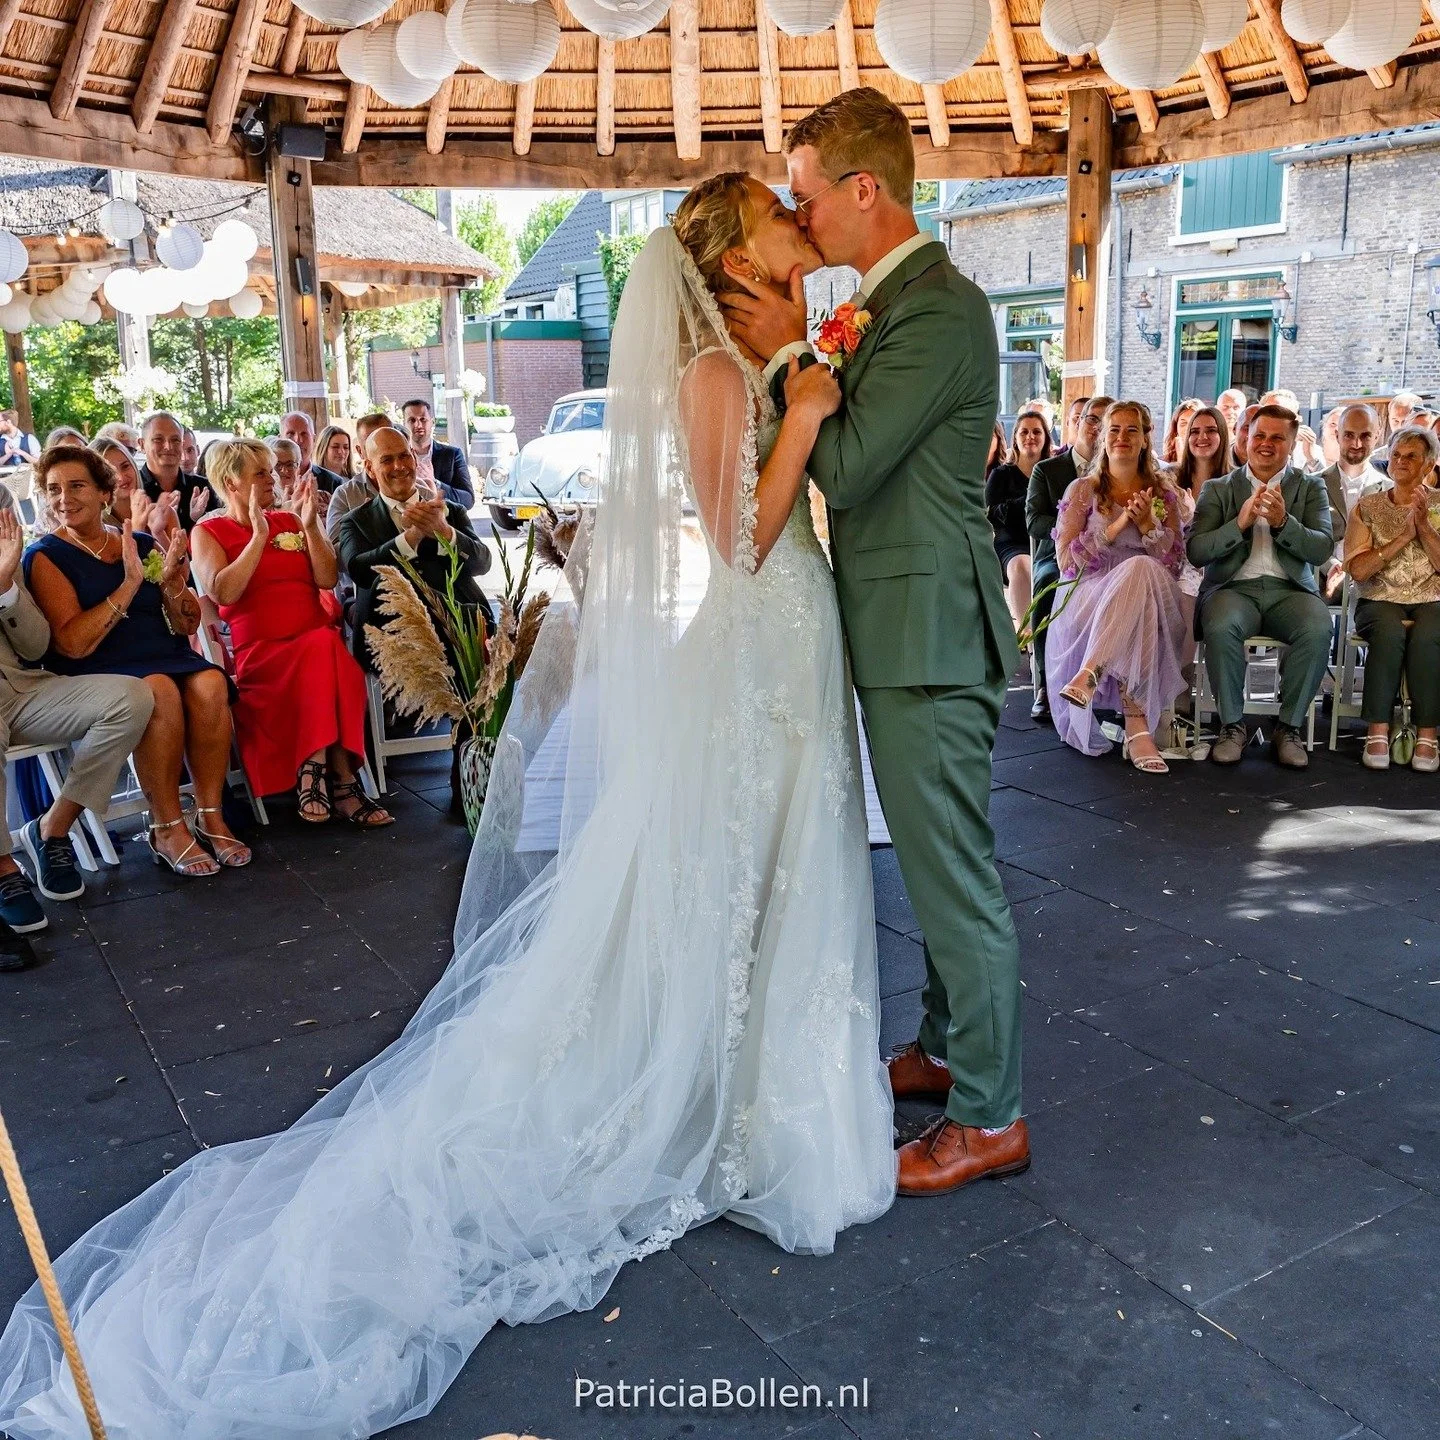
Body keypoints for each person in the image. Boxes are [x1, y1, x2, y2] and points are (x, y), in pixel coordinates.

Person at [0, 153, 900, 1434]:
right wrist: (802, 416)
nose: (794, 219)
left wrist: (803, 391)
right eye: (775, 211)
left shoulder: (754, 356)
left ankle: (760, 1089)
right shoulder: (715, 373)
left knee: (775, 866)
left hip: (786, 648)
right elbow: (739, 541)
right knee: (740, 864)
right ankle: (728, 1102)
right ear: (736, 254)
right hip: (760, 642)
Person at [723, 85, 1026, 1195]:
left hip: (930, 632)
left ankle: (989, 1117)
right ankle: (946, 1049)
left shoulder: (939, 309)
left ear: (864, 190)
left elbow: (845, 471)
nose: (798, 218)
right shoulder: (887, 304)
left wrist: (780, 361)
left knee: (953, 878)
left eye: (805, 198)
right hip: (902, 623)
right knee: (942, 864)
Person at [24, 445, 245, 876]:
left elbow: (186, 624)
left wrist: (174, 583)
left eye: (76, 486)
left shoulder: (141, 543)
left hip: (163, 652)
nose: (64, 498)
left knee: (211, 682)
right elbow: (72, 644)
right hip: (99, 666)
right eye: (53, 490)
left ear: (104, 492)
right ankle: (166, 827)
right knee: (159, 689)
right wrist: (128, 585)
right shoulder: (45, 556)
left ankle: (210, 814)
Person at [191, 439, 391, 828]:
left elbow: (327, 578)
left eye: (273, 470)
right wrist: (258, 537)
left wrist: (310, 525)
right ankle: (343, 784)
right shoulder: (208, 531)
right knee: (329, 653)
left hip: (314, 642)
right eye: (261, 473)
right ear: (231, 483)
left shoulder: (290, 520)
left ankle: (314, 774)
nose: (273, 478)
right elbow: (223, 592)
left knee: (327, 651)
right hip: (263, 653)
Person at [0, 496, 152, 939]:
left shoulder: (7, 560)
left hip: (25, 692)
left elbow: (34, 646)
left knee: (131, 696)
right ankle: (3, 868)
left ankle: (53, 827)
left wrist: (6, 587)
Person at [1188, 404, 1335, 768]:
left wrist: (1284, 522)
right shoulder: (1218, 488)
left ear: (1292, 444)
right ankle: (1231, 726)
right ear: (1246, 439)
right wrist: (1238, 524)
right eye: (1259, 436)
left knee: (1318, 626)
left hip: (1291, 592)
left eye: (1277, 438)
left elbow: (1321, 549)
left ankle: (1289, 728)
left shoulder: (1310, 486)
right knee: (1220, 623)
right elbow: (1197, 551)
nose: (1266, 444)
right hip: (1234, 590)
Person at [1047, 402, 1187, 772]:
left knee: (1140, 569)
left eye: (1131, 430)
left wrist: (1147, 527)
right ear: (1103, 438)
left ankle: (1090, 672)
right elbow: (1066, 562)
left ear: (1144, 439)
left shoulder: (1163, 492)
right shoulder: (1083, 490)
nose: (1122, 437)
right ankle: (1137, 727)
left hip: (1154, 592)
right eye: (1115, 429)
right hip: (1092, 592)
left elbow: (1175, 563)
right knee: (1137, 596)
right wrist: (1117, 526)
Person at [339, 426, 493, 663]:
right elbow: (359, 570)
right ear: (369, 467)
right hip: (392, 643)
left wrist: (444, 532)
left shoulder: (450, 512)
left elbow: (483, 563)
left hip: (460, 635)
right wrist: (410, 538)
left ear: (413, 456)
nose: (399, 466)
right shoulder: (356, 521)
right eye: (387, 460)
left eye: (404, 456)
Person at [1343, 425, 1440, 772]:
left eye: (1411, 456)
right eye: (1396, 455)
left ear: (1429, 464)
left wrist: (1424, 528)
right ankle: (1377, 730)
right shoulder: (1368, 506)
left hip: (1432, 599)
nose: (1400, 461)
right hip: (1379, 598)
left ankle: (1428, 734)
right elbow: (1358, 571)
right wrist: (1401, 538)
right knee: (1388, 631)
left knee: (1429, 634)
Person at [1026, 393, 1110, 721]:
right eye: (1092, 419)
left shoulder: (1117, 472)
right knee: (1048, 582)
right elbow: (1034, 520)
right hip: (1056, 556)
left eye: (1106, 421)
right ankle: (1046, 683)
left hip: (1106, 556)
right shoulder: (1047, 470)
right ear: (1078, 422)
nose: (1098, 427)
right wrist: (1072, 527)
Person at [1172, 404, 1231, 654]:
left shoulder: (1235, 481)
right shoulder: (1170, 479)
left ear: (1223, 436)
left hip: (1220, 566)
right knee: (1181, 592)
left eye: (1210, 430)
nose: (1202, 437)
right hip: (1176, 564)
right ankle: (1179, 674)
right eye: (1194, 431)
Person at [985, 409, 1051, 633]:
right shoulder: (1001, 475)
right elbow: (993, 514)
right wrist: (1030, 501)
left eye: (1036, 432)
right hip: (1012, 544)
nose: (1030, 437)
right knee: (1021, 566)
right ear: (1015, 438)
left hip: (1046, 544)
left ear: (1045, 437)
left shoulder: (1052, 474)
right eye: (1024, 432)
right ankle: (1026, 633)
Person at [1319, 403, 1389, 597]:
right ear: (1337, 435)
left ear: (1377, 436)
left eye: (1365, 436)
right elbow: (1306, 538)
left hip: (1373, 584)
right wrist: (1332, 566)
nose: (1356, 444)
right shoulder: (1312, 484)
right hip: (1320, 581)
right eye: (1349, 435)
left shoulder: (1390, 489)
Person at [325, 412, 392, 545]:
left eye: (386, 440)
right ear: (360, 451)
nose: (380, 448)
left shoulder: (419, 491)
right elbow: (335, 546)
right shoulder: (345, 494)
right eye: (370, 443)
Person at [138, 411, 211, 533]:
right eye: (158, 439)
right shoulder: (133, 489)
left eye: (175, 440)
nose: (168, 446)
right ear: (142, 444)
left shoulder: (203, 488)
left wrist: (196, 519)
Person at [400, 397, 473, 507]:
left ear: (432, 422)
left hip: (444, 516)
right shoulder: (398, 458)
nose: (418, 425)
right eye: (412, 420)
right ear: (404, 424)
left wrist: (435, 483)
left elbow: (468, 500)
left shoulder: (452, 455)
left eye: (423, 419)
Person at [88, 436, 142, 526]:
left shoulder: (156, 508)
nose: (121, 477)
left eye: (125, 466)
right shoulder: (96, 526)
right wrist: (138, 527)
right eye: (111, 472)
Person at [1162, 397, 1203, 465]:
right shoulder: (1163, 464)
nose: (1188, 428)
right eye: (1183, 423)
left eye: (1193, 422)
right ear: (1176, 428)